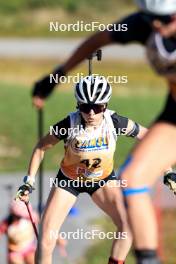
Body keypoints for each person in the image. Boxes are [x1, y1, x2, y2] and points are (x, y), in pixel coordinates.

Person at [31, 1, 176, 263]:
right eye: (151, 18)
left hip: (104, 177)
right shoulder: (144, 26)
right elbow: (95, 41)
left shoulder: (113, 121)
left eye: (166, 20)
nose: (157, 26)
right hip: (173, 111)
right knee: (132, 180)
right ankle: (147, 257)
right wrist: (58, 74)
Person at [16, 75, 149, 264]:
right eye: (86, 107)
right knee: (46, 239)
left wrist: (168, 170)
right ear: (78, 105)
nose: (92, 113)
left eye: (98, 107)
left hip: (103, 181)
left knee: (128, 225)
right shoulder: (69, 125)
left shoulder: (115, 123)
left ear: (106, 105)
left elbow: (150, 138)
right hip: (68, 181)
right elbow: (40, 147)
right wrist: (28, 181)